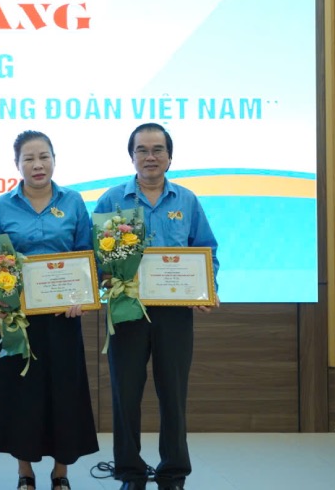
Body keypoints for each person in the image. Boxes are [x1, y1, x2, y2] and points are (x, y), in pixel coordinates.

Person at [94, 123, 219, 490]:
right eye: (142, 150)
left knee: (173, 393)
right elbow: (95, 256)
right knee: (125, 395)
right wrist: (104, 276)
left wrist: (208, 288)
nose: (150, 157)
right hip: (126, 310)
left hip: (174, 312)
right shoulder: (111, 201)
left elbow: (207, 250)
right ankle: (131, 473)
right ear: (131, 156)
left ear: (169, 156)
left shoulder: (186, 200)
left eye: (158, 149)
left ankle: (173, 472)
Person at [0, 130, 98, 490]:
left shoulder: (73, 202)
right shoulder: (2, 207)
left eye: (43, 156)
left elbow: (86, 256)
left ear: (54, 160)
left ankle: (61, 474)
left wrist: (83, 297)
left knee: (66, 393)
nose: (37, 164)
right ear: (17, 165)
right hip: (19, 319)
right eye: (28, 158)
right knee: (22, 395)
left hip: (64, 318)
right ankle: (24, 473)